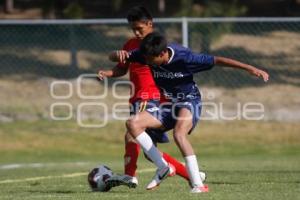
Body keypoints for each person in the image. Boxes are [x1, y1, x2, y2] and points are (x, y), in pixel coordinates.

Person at [109, 32, 269, 193]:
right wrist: (117, 55)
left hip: (189, 100)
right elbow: (114, 59)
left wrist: (250, 68)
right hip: (169, 104)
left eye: (152, 60)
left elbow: (217, 60)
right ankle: (163, 167)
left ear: (163, 53)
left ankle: (199, 184)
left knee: (179, 134)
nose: (148, 63)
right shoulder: (145, 54)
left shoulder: (185, 58)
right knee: (133, 123)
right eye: (147, 59)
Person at [98, 6, 205, 190]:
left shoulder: (158, 46)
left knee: (132, 131)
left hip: (150, 96)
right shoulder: (130, 45)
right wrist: (109, 72)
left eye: (140, 28)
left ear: (150, 24)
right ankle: (190, 174)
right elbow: (122, 68)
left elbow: (178, 63)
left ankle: (130, 176)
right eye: (133, 29)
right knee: (148, 150)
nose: (137, 33)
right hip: (137, 96)